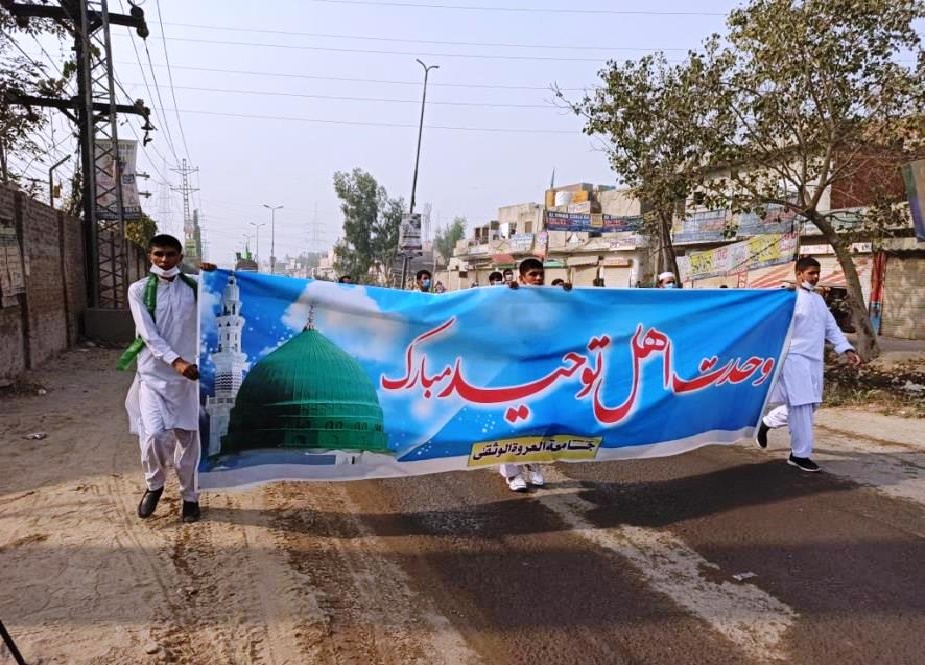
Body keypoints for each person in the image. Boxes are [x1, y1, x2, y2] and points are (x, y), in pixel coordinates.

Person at [121, 234, 210, 522]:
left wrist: (215, 276)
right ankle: (154, 484)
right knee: (155, 436)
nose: (164, 260)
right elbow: (148, 334)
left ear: (180, 258)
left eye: (171, 255)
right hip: (153, 376)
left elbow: (225, 299)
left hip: (188, 379)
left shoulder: (195, 287)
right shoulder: (139, 290)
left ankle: (190, 496)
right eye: (158, 254)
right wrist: (176, 361)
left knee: (188, 438)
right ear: (150, 256)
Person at [755, 256, 862, 472]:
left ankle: (767, 423)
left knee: (810, 404)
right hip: (793, 358)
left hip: (814, 359)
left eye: (817, 273)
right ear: (799, 274)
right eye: (811, 273)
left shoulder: (819, 300)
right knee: (802, 405)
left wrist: (847, 349)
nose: (815, 277)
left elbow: (831, 327)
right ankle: (799, 455)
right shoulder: (788, 299)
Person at [498, 257, 550, 491]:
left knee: (538, 421)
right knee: (513, 422)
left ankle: (533, 464)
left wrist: (570, 297)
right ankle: (511, 472)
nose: (538, 279)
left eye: (540, 274)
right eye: (533, 275)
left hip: (542, 371)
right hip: (514, 370)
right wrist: (506, 294)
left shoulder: (553, 299)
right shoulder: (509, 298)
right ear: (521, 277)